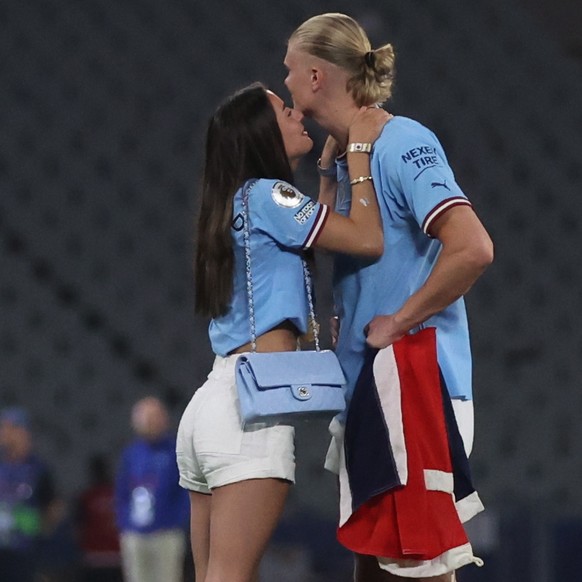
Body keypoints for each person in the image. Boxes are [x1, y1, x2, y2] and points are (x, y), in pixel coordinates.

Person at [284, 13, 494, 582]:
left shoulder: (404, 141)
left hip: (415, 385)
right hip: (370, 389)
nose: (286, 83)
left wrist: (398, 321)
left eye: (290, 70)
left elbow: (472, 248)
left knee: (417, 565)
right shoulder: (348, 157)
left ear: (317, 76)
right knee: (376, 566)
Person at [176, 81, 390, 582]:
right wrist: (359, 151)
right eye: (283, 111)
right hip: (248, 415)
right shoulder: (270, 195)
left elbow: (306, 233)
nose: (298, 114)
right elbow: (367, 238)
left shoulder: (237, 201)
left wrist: (326, 180)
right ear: (262, 136)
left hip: (212, 404)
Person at [115, 396, 189, 582]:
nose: (149, 423)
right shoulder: (131, 453)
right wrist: (125, 524)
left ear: (164, 419)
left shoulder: (175, 450)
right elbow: (122, 491)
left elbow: (184, 490)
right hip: (135, 534)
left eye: (153, 417)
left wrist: (176, 522)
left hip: (166, 532)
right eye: (145, 418)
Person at [0, 406, 57, 582]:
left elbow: (54, 507)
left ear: (21, 432)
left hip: (26, 552)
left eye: (7, 428)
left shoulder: (38, 469)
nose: (2, 433)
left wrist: (39, 533)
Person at [76, 454, 122, 582]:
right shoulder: (114, 494)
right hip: (103, 557)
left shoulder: (87, 497)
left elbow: (79, 528)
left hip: (104, 557)